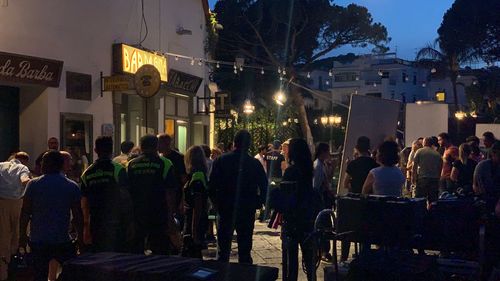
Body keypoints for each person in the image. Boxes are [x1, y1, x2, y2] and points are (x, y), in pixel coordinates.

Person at [19, 150, 83, 281]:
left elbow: (25, 212)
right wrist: (80, 237)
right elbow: (78, 216)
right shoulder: (71, 186)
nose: (41, 164)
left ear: (47, 165)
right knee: (71, 274)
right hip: (62, 240)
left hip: (38, 240)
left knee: (39, 275)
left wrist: (22, 236)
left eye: (43, 162)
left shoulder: (33, 185)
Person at [208, 130, 267, 264]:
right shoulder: (254, 164)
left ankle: (223, 274)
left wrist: (216, 203)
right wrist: (258, 202)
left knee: (223, 249)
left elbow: (211, 185)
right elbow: (264, 187)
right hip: (246, 208)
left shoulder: (221, 161)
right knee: (245, 249)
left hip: (226, 207)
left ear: (234, 143)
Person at [270, 138, 321, 281]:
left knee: (290, 263)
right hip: (307, 219)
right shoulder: (308, 169)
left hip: (292, 220)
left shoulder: (291, 171)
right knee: (309, 262)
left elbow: (286, 194)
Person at [127, 135, 179, 255]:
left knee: (136, 251)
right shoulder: (165, 163)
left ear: (140, 146)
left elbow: (127, 192)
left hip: (138, 213)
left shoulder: (131, 165)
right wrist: (170, 216)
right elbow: (170, 192)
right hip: (159, 213)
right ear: (156, 146)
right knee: (160, 250)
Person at [80, 136, 133, 253]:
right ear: (112, 149)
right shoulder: (118, 170)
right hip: (117, 222)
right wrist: (130, 222)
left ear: (95, 150)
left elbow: (84, 204)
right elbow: (126, 198)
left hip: (96, 222)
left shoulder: (87, 173)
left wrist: (86, 227)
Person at [341, 136, 378, 262]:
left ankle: (343, 257)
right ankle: (364, 256)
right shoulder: (374, 164)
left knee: (349, 229)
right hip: (369, 200)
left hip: (354, 199)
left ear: (357, 148)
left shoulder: (353, 164)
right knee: (366, 230)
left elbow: (345, 184)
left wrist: (353, 185)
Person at [0, 152, 31, 281]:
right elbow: (25, 181)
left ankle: (3, 272)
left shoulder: (1, 165)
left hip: (1, 201)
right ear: (24, 161)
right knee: (17, 233)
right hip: (17, 202)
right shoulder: (22, 168)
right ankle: (15, 262)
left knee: (3, 236)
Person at [181, 146, 209, 258]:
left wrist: (194, 231)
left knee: (190, 253)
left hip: (194, 220)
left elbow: (197, 206)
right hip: (195, 219)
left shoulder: (197, 177)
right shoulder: (198, 175)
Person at [313, 142, 334, 261]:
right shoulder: (318, 166)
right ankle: (323, 250)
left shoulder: (321, 165)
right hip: (321, 201)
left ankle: (323, 250)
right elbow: (316, 186)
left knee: (325, 225)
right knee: (324, 225)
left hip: (323, 200)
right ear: (323, 152)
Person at [412, 137, 443, 205]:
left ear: (424, 143)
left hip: (422, 179)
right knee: (433, 201)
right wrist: (438, 177)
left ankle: (421, 213)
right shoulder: (437, 154)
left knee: (419, 200)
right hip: (434, 179)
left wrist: (413, 178)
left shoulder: (419, 151)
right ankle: (431, 214)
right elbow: (440, 167)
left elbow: (414, 166)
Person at [473, 141, 500, 212]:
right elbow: (477, 186)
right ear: (493, 153)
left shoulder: (482, 165)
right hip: (484, 199)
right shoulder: (482, 166)